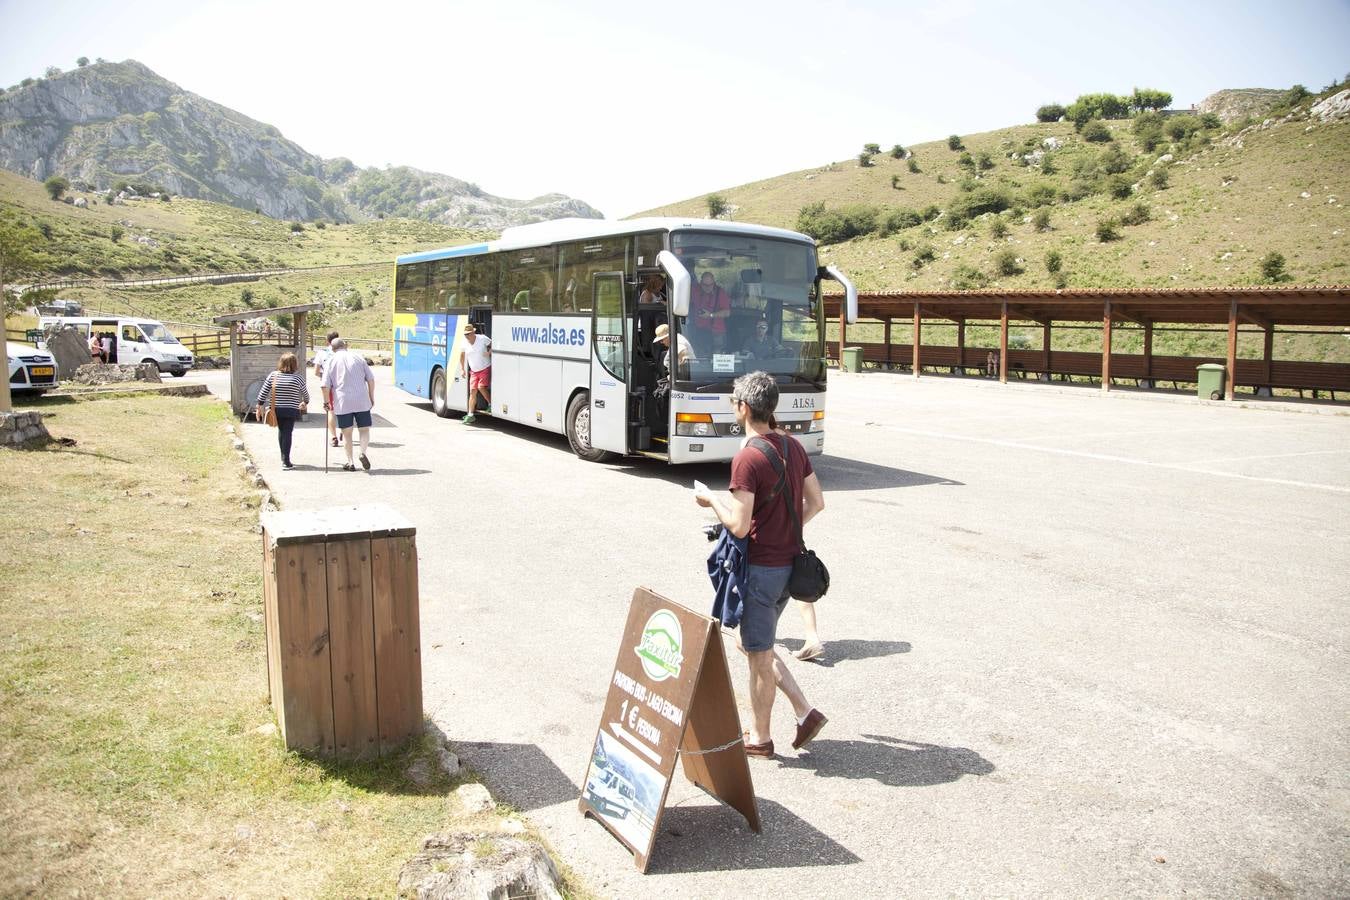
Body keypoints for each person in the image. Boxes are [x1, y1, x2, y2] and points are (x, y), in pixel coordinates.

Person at [695, 371, 827, 758]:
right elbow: (816, 502)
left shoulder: (748, 457)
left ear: (744, 407)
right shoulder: (793, 447)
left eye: (734, 402)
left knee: (757, 656)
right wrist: (784, 528)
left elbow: (736, 523)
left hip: (762, 571)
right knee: (751, 643)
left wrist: (710, 500)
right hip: (791, 568)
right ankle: (804, 711)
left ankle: (760, 738)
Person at [320, 338, 376, 471]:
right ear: (346, 345)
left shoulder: (330, 361)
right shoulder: (358, 357)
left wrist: (326, 402)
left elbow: (324, 385)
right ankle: (362, 452)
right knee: (364, 429)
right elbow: (371, 379)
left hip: (342, 401)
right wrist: (371, 397)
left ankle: (350, 462)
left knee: (347, 433)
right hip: (361, 399)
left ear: (332, 349)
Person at [254, 352, 309, 470]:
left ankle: (283, 457)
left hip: (276, 409)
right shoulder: (298, 378)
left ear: (281, 363)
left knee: (281, 431)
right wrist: (305, 402)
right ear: (295, 364)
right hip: (291, 410)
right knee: (287, 432)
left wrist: (259, 405)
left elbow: (263, 393)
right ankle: (286, 461)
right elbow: (306, 395)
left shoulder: (273, 375)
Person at [689, 272, 731, 356]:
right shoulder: (694, 290)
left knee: (718, 359)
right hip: (699, 331)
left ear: (714, 283)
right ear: (700, 283)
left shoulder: (720, 293)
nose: (708, 287)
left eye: (710, 285)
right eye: (705, 285)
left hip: (717, 332)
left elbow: (727, 312)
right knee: (700, 356)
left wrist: (711, 315)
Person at [459, 322, 492, 424]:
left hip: (485, 367)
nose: (467, 336)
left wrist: (489, 352)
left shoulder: (482, 338)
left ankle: (491, 405)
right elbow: (462, 356)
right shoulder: (464, 342)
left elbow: (494, 344)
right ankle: (470, 415)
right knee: (472, 391)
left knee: (481, 387)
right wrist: (462, 369)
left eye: (468, 334)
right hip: (473, 371)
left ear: (473, 333)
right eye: (465, 334)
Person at [313, 330, 340, 448]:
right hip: (342, 384)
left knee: (331, 410)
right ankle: (344, 431)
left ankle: (334, 437)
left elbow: (316, 371)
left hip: (328, 385)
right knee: (344, 410)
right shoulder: (343, 352)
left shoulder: (321, 353)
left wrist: (324, 378)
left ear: (327, 341)